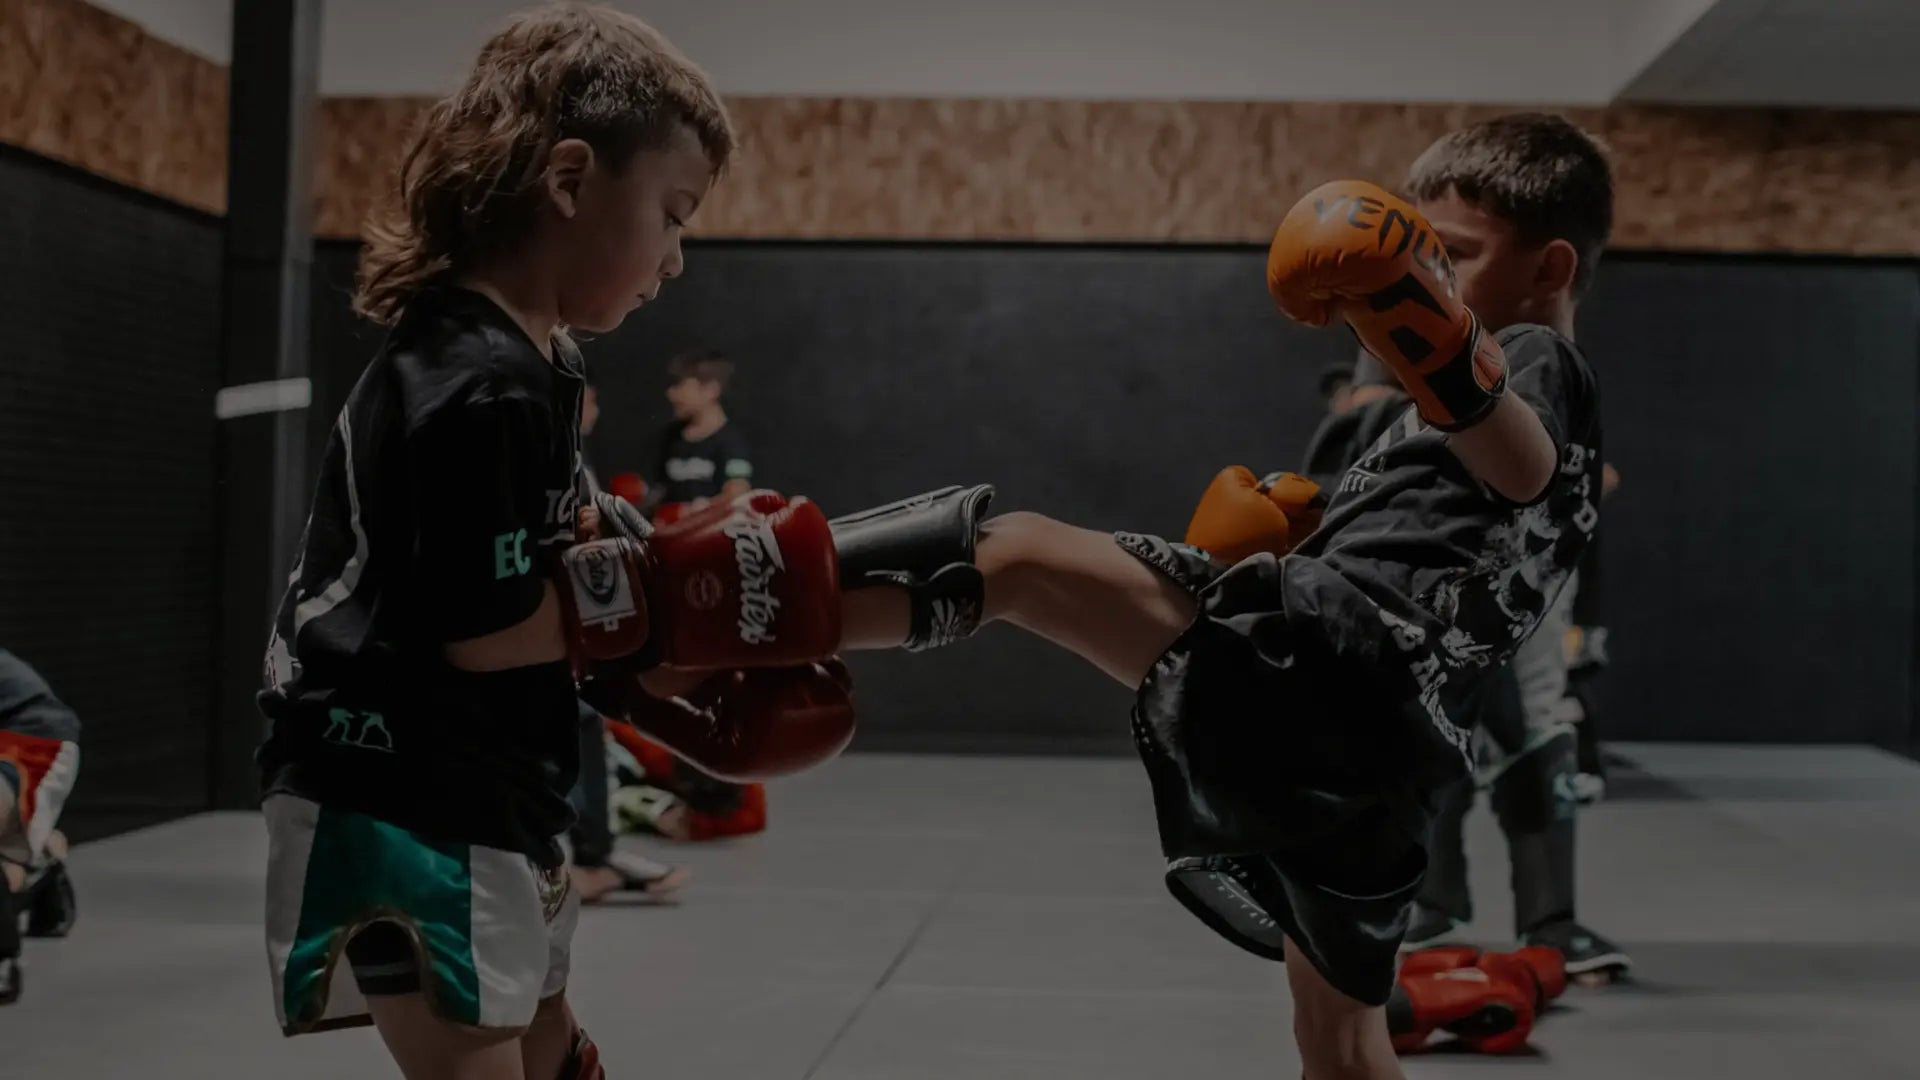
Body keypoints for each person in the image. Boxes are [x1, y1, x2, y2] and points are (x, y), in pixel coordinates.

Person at [764, 116, 1610, 1077]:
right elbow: (1460, 538)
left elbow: (1524, 464)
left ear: (1549, 266)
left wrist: (1429, 330)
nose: (1432, 277)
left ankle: (741, 606)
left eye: (1449, 255)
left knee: (1020, 557)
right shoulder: (1438, 415)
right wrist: (1298, 532)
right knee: (1341, 1046)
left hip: (1331, 666)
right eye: (1420, 253)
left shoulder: (1535, 357)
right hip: (1386, 770)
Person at [252, 8, 851, 1078]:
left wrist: (638, 647)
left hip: (482, 775)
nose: (676, 258)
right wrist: (673, 605)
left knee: (551, 1055)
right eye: (672, 215)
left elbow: (542, 583)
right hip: (400, 789)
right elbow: (486, 630)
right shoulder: (475, 380)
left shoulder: (536, 361)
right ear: (570, 181)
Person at [0, 649, 81, 1006]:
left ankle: (3, 958)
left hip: (31, 735)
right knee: (10, 850)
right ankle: (41, 854)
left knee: (7, 862)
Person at [647, 348, 753, 522]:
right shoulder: (670, 439)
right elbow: (658, 492)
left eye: (680, 385)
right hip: (669, 540)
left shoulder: (731, 444)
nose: (672, 394)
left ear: (710, 389)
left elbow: (737, 496)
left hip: (710, 540)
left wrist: (688, 513)